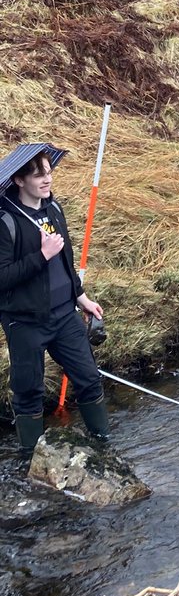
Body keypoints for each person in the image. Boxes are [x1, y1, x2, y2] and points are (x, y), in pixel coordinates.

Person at [0, 146, 109, 454]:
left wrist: (81, 296)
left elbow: (67, 259)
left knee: (89, 378)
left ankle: (103, 447)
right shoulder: (6, 221)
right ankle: (30, 459)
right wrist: (41, 255)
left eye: (49, 172)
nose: (47, 180)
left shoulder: (54, 209)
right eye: (38, 175)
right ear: (19, 180)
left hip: (64, 315)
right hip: (24, 321)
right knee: (28, 392)